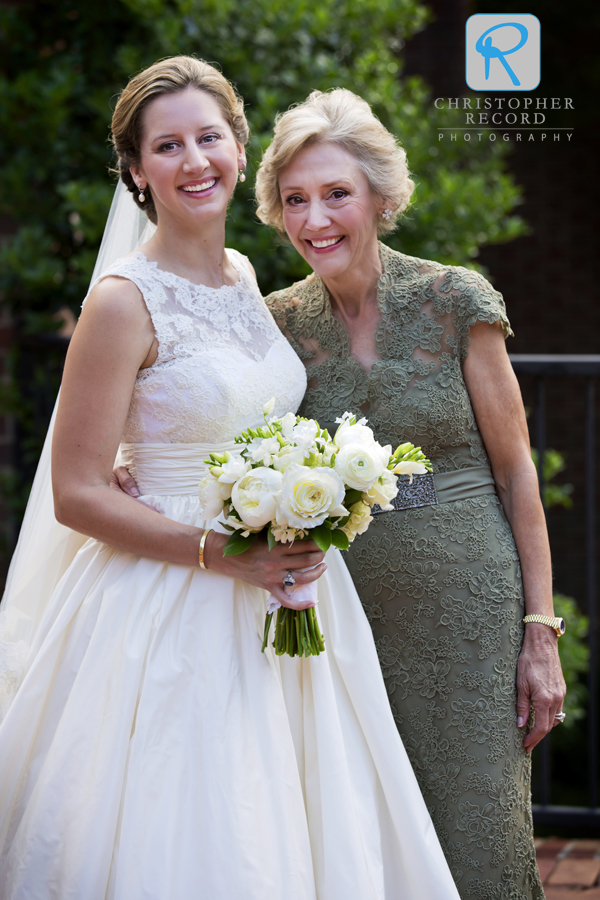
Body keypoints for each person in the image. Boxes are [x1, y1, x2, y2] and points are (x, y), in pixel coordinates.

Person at [0, 58, 461, 899]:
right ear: (137, 171)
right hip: (170, 598)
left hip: (288, 583)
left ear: (241, 150)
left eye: (209, 137)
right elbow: (76, 492)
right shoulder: (120, 301)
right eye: (167, 145)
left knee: (296, 807)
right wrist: (221, 551)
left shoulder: (245, 276)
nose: (194, 160)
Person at [253, 88, 567, 899]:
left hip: (467, 609)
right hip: (341, 623)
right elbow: (210, 417)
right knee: (362, 838)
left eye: (335, 194)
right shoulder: (273, 323)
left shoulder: (455, 300)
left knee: (475, 825)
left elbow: (516, 471)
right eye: (295, 199)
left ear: (380, 198)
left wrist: (541, 632)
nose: (314, 218)